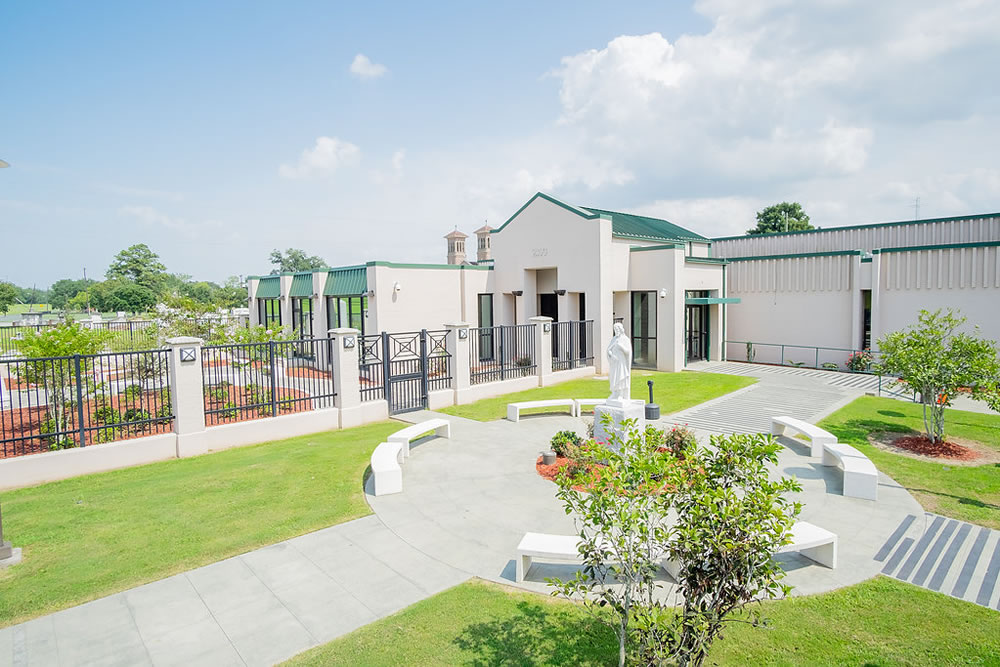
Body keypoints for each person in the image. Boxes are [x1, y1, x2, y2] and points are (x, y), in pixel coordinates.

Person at [607, 322, 632, 401]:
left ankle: (621, 394)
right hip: (614, 362)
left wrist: (621, 347)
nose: (616, 330)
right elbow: (608, 349)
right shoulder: (614, 339)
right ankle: (615, 393)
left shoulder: (625, 339)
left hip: (621, 362)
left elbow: (628, 352)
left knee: (621, 376)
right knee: (614, 377)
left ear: (621, 329)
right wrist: (611, 354)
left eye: (617, 329)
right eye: (615, 329)